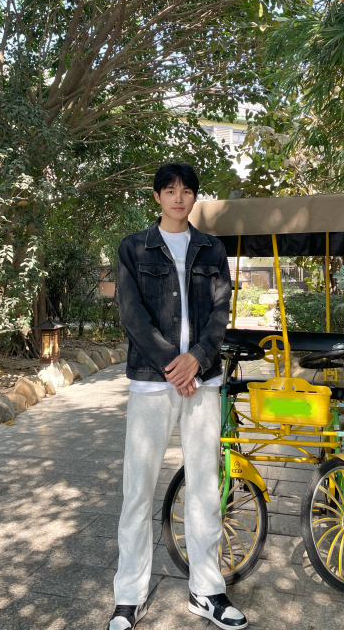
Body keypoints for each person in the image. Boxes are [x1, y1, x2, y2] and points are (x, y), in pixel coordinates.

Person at [107, 162, 248, 630]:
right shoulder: (134, 247)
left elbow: (221, 312)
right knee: (138, 489)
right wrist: (176, 364)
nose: (179, 198)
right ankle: (129, 597)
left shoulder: (212, 249)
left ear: (194, 197)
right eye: (170, 190)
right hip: (153, 380)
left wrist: (198, 360)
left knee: (205, 487)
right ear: (157, 197)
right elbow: (132, 314)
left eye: (186, 190)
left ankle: (207, 591)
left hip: (202, 381)